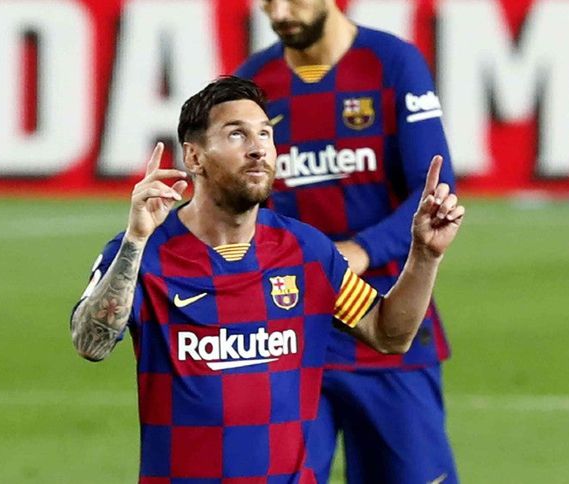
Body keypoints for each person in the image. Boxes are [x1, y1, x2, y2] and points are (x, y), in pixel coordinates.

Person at [69, 76, 463, 482]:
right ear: (194, 157)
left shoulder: (307, 251)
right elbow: (90, 343)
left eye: (265, 134)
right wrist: (135, 241)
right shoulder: (144, 252)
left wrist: (425, 255)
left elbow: (388, 334)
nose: (258, 148)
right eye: (236, 134)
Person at [235, 1, 458, 482]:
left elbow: (433, 191)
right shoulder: (252, 85)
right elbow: (233, 205)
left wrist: (359, 252)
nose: (280, 12)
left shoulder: (391, 62)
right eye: (268, 1)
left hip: (387, 323)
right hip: (290, 333)